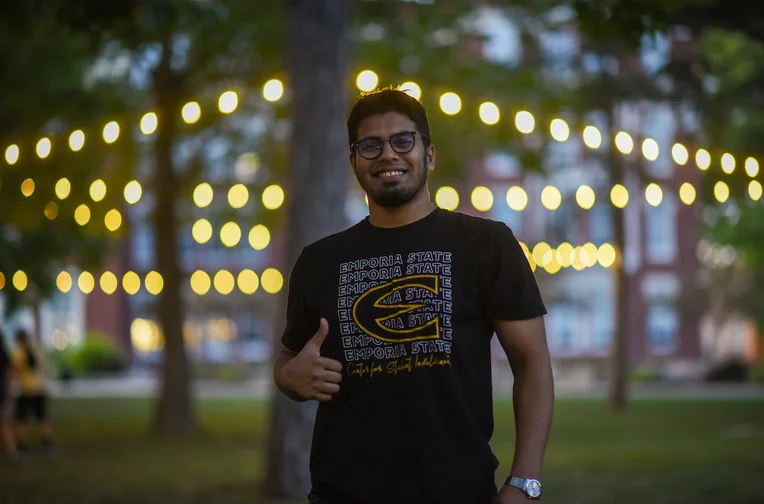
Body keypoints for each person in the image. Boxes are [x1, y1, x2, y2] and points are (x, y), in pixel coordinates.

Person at [273, 87, 554, 504]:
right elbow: (289, 358)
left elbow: (532, 364)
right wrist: (288, 378)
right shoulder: (319, 261)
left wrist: (524, 483)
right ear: (354, 162)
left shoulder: (485, 244)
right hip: (342, 493)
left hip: (456, 492)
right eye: (370, 145)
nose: (388, 154)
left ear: (429, 155)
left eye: (403, 140)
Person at [12, 329, 54, 458]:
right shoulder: (39, 350)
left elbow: (15, 371)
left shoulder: (19, 353)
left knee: (21, 420)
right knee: (42, 419)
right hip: (39, 389)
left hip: (26, 390)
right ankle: (47, 445)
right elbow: (45, 367)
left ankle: (22, 446)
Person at [0, 330, 19, 464]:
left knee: (5, 426)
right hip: (2, 393)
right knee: (5, 426)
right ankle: (12, 455)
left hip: (2, 392)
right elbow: (13, 370)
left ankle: (12, 455)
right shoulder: (3, 352)